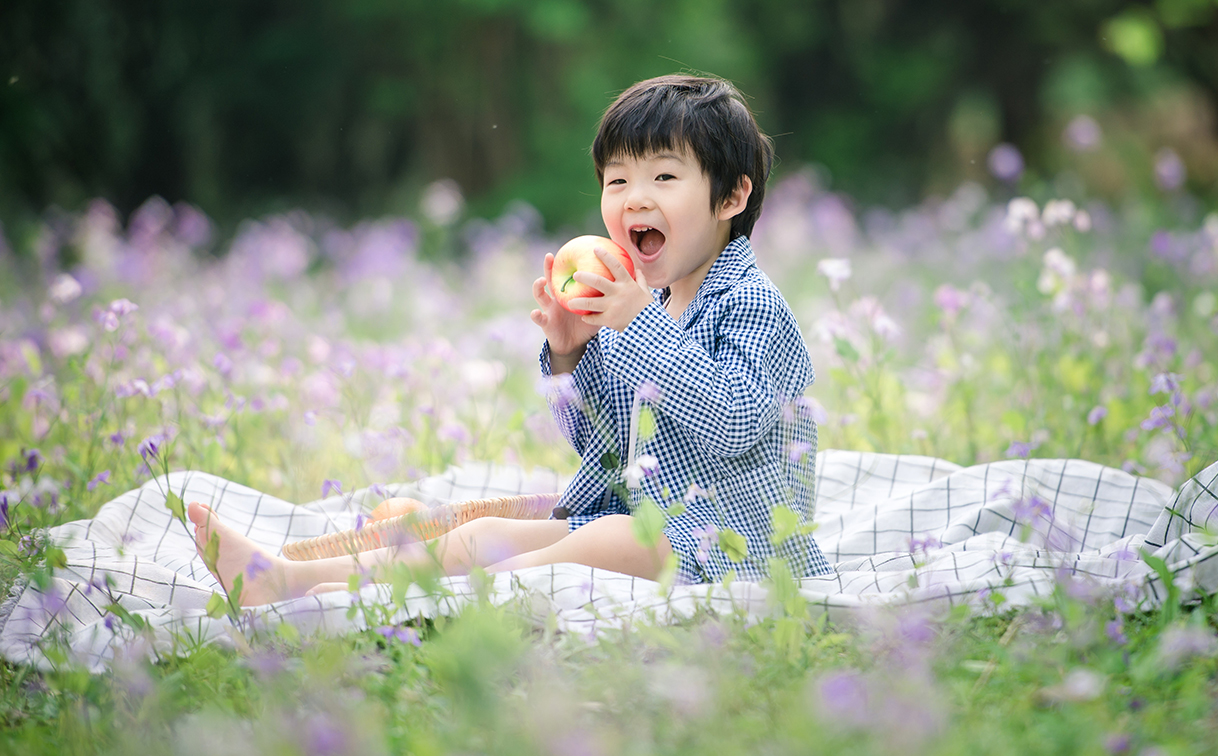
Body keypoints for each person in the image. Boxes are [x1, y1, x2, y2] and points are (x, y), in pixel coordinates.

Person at [188, 73, 831, 605]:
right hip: (656, 525)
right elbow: (604, 444)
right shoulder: (653, 305)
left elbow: (738, 422)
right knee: (492, 532)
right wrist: (571, 353)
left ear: (731, 196)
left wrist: (638, 326)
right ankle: (284, 581)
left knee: (604, 542)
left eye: (664, 178)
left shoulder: (749, 303)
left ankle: (419, 592)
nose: (635, 198)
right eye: (617, 181)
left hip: (740, 546)